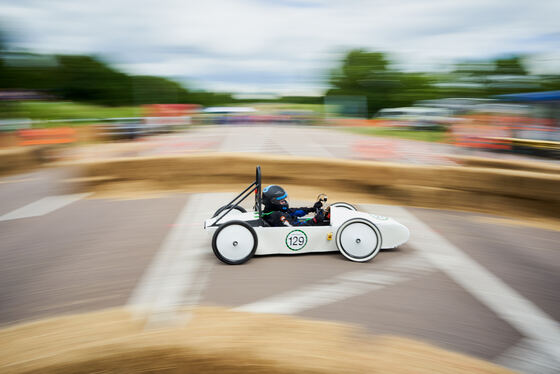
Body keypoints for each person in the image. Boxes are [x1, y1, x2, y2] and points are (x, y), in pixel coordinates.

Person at [261, 185, 329, 227]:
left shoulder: (272, 211)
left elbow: (293, 211)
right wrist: (314, 220)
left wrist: (312, 209)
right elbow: (295, 227)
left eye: (284, 200)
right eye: (282, 201)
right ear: (273, 202)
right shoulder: (277, 215)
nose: (285, 202)